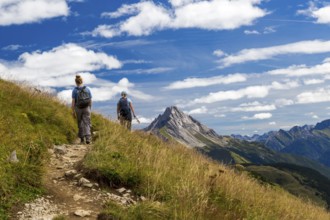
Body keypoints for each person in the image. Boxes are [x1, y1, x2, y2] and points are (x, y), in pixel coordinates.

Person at [72, 75, 92, 144]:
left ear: (76, 82)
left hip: (78, 108)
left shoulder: (75, 90)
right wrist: (89, 108)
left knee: (80, 122)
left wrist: (73, 111)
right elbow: (90, 100)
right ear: (82, 81)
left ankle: (82, 139)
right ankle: (88, 138)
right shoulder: (87, 89)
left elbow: (73, 102)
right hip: (86, 107)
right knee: (87, 122)